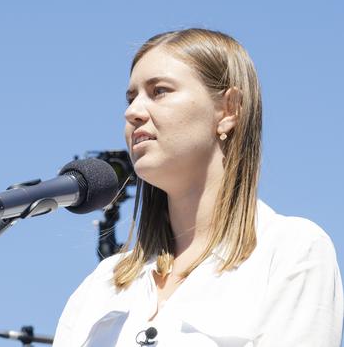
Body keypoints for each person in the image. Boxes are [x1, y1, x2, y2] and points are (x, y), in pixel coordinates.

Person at [52, 28, 343, 346]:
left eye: (159, 91)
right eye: (131, 97)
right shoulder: (102, 284)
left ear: (228, 109)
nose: (132, 112)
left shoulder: (291, 252)